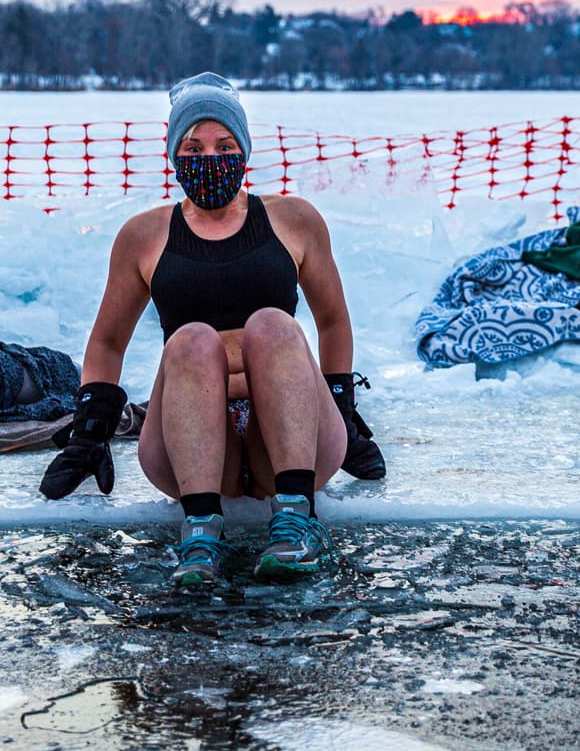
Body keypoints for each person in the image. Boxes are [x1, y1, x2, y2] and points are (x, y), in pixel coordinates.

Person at [39, 72, 386, 589]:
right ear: (174, 156)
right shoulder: (144, 235)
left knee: (273, 324)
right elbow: (108, 343)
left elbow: (333, 320)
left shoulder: (293, 220)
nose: (210, 158)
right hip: (194, 443)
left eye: (225, 145)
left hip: (290, 439)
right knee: (191, 338)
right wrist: (90, 431)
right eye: (194, 147)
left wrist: (341, 406)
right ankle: (199, 532)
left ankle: (297, 519)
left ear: (244, 151)